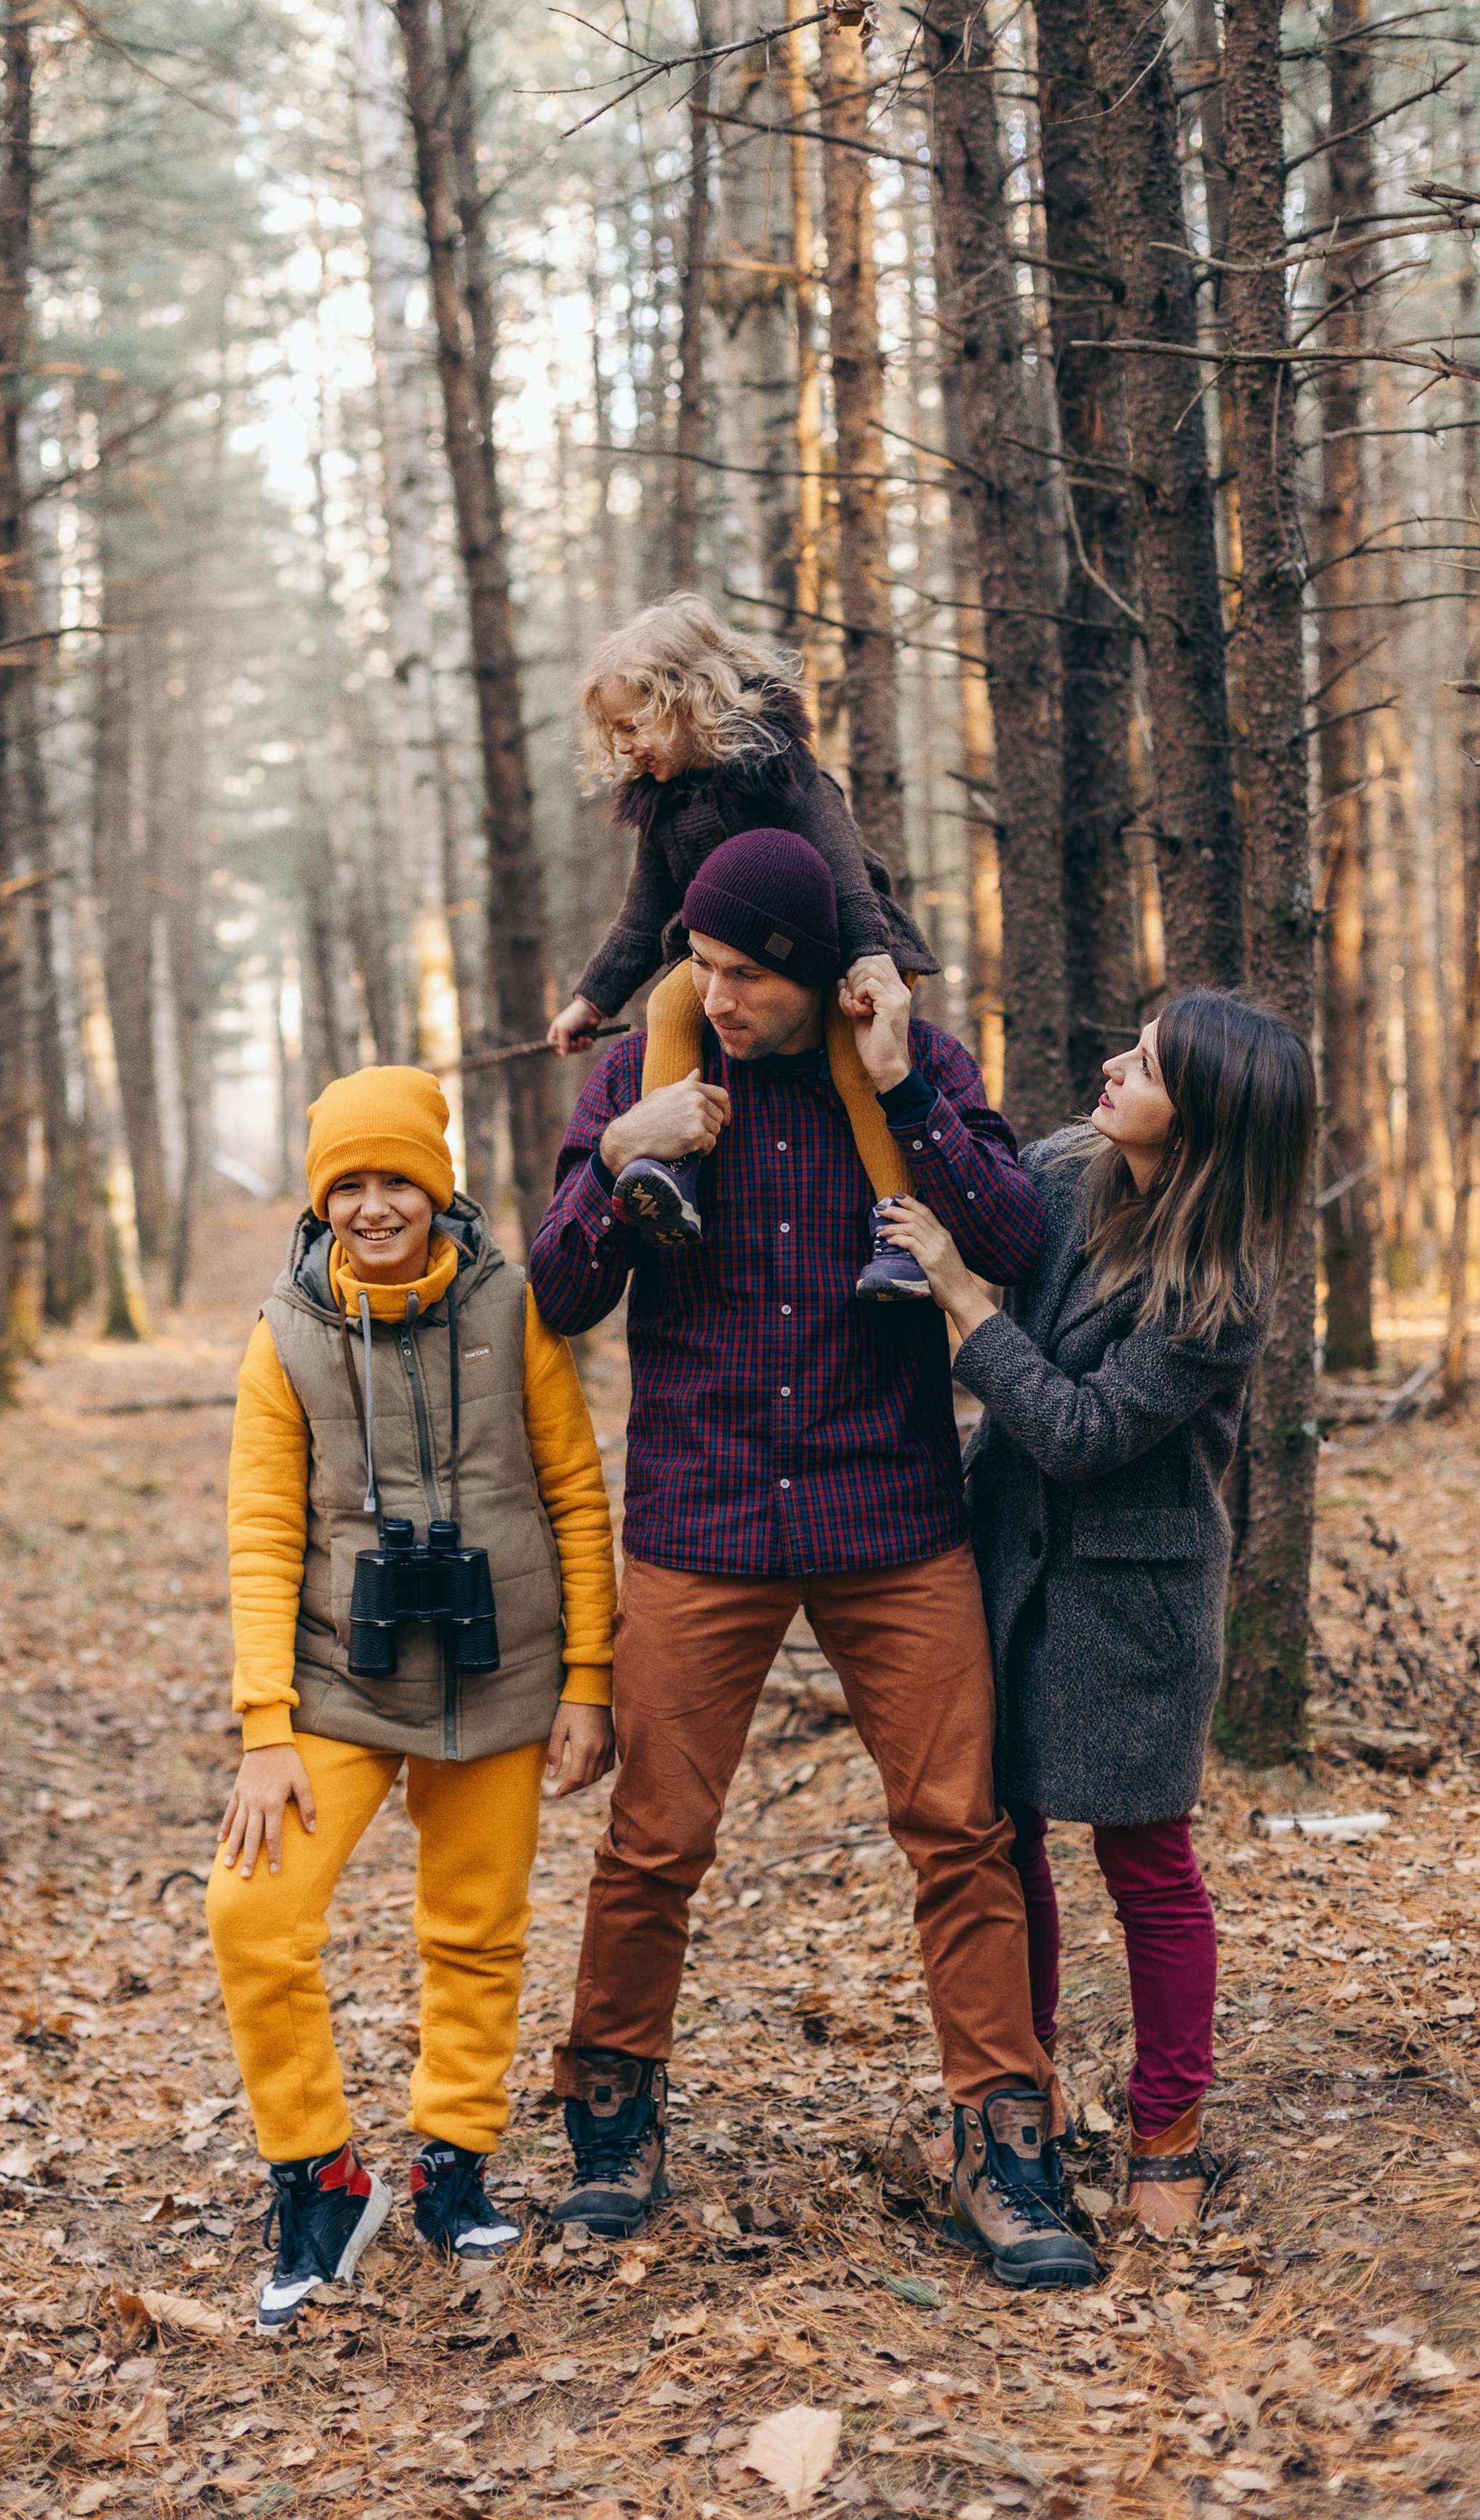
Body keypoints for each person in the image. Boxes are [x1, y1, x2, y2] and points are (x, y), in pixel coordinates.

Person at [530, 828, 1097, 2291]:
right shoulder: (644, 1072)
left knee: (959, 1838)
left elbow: (1012, 1242)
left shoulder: (909, 1059)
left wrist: (907, 1091)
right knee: (652, 1841)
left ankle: (1004, 2146)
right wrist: (616, 1153)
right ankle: (609, 2119)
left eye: (741, 974)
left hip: (887, 1514)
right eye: (699, 966)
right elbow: (557, 1291)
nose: (713, 996)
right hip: (699, 1518)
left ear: (801, 969)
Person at [878, 992, 1315, 2236]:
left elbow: (1079, 1430)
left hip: (1135, 1606)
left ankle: (1168, 2125)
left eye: (1151, 1063)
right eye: (1130, 1041)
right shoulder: (1070, 1172)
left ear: (1208, 1117)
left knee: (1148, 1868)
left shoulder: (1222, 1290)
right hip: (1004, 1564)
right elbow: (964, 1176)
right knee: (1005, 1844)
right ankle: (1023, 2099)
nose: (1113, 1063)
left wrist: (964, 1301)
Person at [206, 1066, 618, 2328]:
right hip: (340, 1681)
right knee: (251, 1916)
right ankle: (321, 2175)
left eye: (398, 1181)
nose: (375, 1208)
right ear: (322, 1198)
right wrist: (264, 1726)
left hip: (503, 1678)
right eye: (350, 1185)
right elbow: (264, 1527)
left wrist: (590, 1681)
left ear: (437, 1187)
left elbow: (576, 1494)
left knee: (477, 1931)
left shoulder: (516, 1308)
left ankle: (453, 2160)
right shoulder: (286, 1331)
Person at [547, 595, 938, 1286]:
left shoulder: (782, 773)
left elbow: (846, 877)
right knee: (670, 1007)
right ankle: (669, 1177)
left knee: (856, 1059)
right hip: (725, 961)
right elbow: (642, 918)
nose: (627, 747)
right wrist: (591, 1002)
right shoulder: (662, 806)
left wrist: (869, 958)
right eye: (616, 734)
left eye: (634, 726)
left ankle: (896, 1227)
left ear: (689, 701)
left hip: (840, 940)